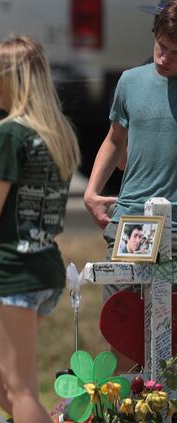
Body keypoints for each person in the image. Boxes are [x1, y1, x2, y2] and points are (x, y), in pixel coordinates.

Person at [0, 35, 80, 423]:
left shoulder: (9, 133)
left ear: (9, 80)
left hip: (14, 269)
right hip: (45, 267)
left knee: (21, 389)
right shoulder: (55, 130)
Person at [83, 0, 177, 373]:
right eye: (160, 46)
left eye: (174, 52)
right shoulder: (130, 81)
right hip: (133, 222)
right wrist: (92, 192)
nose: (163, 58)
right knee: (123, 330)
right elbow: (114, 140)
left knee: (171, 337)